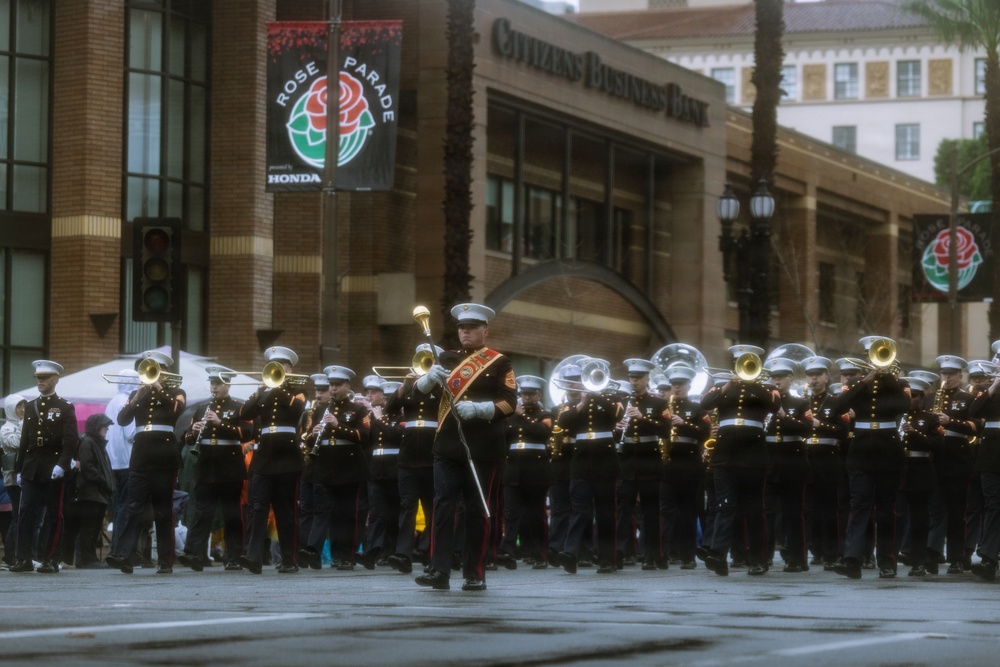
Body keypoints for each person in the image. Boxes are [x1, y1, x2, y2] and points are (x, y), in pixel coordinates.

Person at [414, 303, 517, 591]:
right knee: (442, 507)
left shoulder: (499, 362)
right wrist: (426, 381)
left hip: (483, 448)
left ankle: (475, 573)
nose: (466, 332)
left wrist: (481, 409)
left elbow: (509, 403)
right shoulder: (445, 359)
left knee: (476, 511)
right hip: (448, 445)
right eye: (462, 327)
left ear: (485, 331)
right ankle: (439, 570)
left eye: (472, 327)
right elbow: (416, 398)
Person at [832, 337, 909, 580]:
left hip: (888, 451)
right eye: (872, 356)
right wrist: (865, 381)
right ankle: (852, 559)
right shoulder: (855, 383)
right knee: (859, 506)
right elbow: (838, 407)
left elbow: (904, 405)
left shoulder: (898, 383)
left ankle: (887, 561)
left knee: (886, 510)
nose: (877, 361)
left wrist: (889, 378)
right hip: (861, 452)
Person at [699, 345, 780, 577]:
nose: (743, 369)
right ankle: (718, 555)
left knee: (755, 509)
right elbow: (705, 403)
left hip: (754, 456)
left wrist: (752, 382)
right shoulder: (722, 388)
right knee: (725, 506)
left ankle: (758, 560)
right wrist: (727, 385)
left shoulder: (767, 388)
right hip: (725, 455)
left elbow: (775, 406)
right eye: (739, 363)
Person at [105, 350, 186, 574]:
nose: (152, 374)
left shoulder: (176, 392)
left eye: (156, 369)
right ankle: (124, 556)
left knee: (163, 510)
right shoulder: (137, 393)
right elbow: (122, 420)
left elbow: (175, 411)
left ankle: (165, 561)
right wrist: (137, 397)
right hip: (140, 456)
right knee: (134, 507)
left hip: (164, 457)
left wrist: (159, 387)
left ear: (165, 371)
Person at [235, 346, 307, 574]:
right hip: (264, 457)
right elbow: (243, 414)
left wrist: (277, 388)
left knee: (286, 511)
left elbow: (297, 409)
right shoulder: (263, 393)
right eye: (273, 366)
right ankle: (253, 558)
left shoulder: (298, 391)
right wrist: (258, 393)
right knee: (258, 508)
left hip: (288, 457)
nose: (277, 369)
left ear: (289, 369)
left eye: (281, 366)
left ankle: (289, 559)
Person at [555, 359, 624, 576]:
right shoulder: (573, 403)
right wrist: (582, 404)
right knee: (579, 510)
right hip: (581, 463)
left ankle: (607, 559)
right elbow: (563, 422)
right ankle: (570, 553)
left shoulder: (613, 398)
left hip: (605, 463)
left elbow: (618, 414)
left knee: (605, 513)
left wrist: (597, 394)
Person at [177, 365, 249, 571]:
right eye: (212, 383)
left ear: (227, 384)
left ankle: (234, 556)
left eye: (218, 383)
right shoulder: (202, 408)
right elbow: (186, 438)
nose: (214, 387)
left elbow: (247, 432)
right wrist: (193, 431)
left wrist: (219, 423)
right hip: (206, 465)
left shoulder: (239, 407)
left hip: (230, 466)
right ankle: (194, 554)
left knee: (231, 514)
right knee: (202, 513)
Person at [298, 366, 370, 570]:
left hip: (349, 466)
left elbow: (365, 436)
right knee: (322, 510)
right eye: (331, 385)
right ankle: (312, 550)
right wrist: (313, 434)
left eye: (337, 385)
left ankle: (346, 556)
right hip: (324, 466)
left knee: (346, 514)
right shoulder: (320, 410)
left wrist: (339, 426)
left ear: (347, 386)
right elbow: (308, 437)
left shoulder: (358, 410)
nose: (333, 389)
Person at [12, 360, 79, 574]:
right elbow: (25, 440)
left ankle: (51, 558)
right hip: (32, 467)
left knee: (53, 515)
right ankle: (23, 558)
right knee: (25, 513)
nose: (40, 382)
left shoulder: (65, 407)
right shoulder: (31, 406)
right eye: (38, 378)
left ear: (55, 380)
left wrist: (62, 464)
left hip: (53, 466)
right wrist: (19, 469)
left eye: (44, 378)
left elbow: (71, 440)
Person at [386, 344, 443, 575]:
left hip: (432, 454)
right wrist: (403, 386)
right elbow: (390, 409)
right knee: (407, 506)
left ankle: (431, 553)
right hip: (408, 456)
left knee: (432, 507)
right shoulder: (410, 389)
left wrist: (436, 380)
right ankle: (403, 555)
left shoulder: (441, 386)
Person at [615, 358, 670, 570]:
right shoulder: (621, 402)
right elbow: (612, 432)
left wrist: (642, 417)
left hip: (649, 461)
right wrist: (616, 428)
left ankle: (651, 555)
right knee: (623, 511)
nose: (634, 381)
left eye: (638, 378)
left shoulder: (658, 403)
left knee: (651, 511)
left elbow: (665, 430)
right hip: (627, 462)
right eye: (631, 378)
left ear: (647, 378)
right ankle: (620, 552)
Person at [927, 355, 978, 574]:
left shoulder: (968, 399)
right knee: (935, 509)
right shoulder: (930, 399)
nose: (946, 378)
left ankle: (957, 557)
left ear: (960, 375)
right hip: (935, 458)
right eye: (943, 374)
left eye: (951, 374)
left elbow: (976, 426)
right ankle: (932, 553)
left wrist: (951, 422)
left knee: (957, 512)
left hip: (958, 459)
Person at [497, 375, 553, 570]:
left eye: (530, 394)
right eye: (523, 394)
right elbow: (504, 437)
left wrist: (521, 416)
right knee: (511, 513)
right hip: (513, 470)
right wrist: (513, 416)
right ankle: (507, 551)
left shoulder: (545, 415)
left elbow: (542, 433)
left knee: (536, 515)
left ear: (538, 395)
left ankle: (539, 554)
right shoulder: (511, 416)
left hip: (536, 471)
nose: (526, 397)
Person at [762, 358, 812, 572]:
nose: (777, 380)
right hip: (768, 461)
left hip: (793, 462)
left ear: (791, 379)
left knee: (794, 513)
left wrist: (784, 416)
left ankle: (797, 558)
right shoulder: (763, 404)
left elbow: (807, 428)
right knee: (766, 513)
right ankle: (762, 558)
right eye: (774, 377)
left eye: (781, 377)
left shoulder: (800, 404)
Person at [659, 362, 710, 570]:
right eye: (674, 384)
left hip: (689, 465)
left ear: (689, 385)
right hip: (667, 464)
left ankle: (688, 556)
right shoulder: (662, 409)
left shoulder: (697, 409)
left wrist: (684, 424)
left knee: (688, 512)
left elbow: (706, 434)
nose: (677, 387)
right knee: (666, 511)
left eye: (680, 384)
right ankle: (666, 553)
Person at [800, 356, 849, 570]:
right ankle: (814, 550)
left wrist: (820, 424)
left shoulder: (836, 402)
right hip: (806, 459)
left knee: (829, 509)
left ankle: (831, 553)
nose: (813, 379)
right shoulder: (802, 402)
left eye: (818, 375)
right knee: (808, 509)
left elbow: (843, 431)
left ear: (826, 377)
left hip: (828, 460)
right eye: (810, 376)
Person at [898, 376, 943, 577]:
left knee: (919, 519)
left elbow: (939, 444)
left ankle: (919, 561)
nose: (910, 399)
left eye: (914, 395)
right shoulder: (896, 417)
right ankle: (891, 559)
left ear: (922, 397)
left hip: (920, 471)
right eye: (906, 395)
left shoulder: (930, 418)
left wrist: (916, 433)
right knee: (896, 517)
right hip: (898, 470)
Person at [360, 377, 403, 570]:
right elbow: (365, 441)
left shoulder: (402, 418)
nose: (386, 401)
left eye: (389, 397)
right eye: (385, 397)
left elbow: (396, 436)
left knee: (394, 514)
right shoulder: (371, 417)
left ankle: (392, 552)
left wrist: (379, 420)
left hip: (396, 470)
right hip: (376, 471)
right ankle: (372, 552)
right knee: (377, 514)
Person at [62, 413, 115, 568]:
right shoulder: (89, 442)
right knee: (89, 527)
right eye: (104, 426)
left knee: (93, 527)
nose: (106, 429)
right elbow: (88, 467)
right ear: (96, 427)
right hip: (91, 493)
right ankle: (87, 559)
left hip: (96, 492)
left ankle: (89, 558)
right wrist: (104, 481)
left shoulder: (95, 443)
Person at [105, 369, 138, 562]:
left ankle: (116, 548)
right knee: (126, 507)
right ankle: (122, 551)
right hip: (127, 460)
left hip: (113, 462)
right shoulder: (127, 401)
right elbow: (130, 433)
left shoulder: (111, 402)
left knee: (118, 507)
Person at [1, 393, 26, 568]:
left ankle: (19, 554)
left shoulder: (23, 424)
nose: (23, 410)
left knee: (22, 517)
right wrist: (25, 427)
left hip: (26, 477)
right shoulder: (6, 428)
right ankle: (10, 556)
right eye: (18, 406)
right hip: (12, 479)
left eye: (24, 406)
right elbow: (15, 443)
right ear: (11, 409)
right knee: (17, 517)